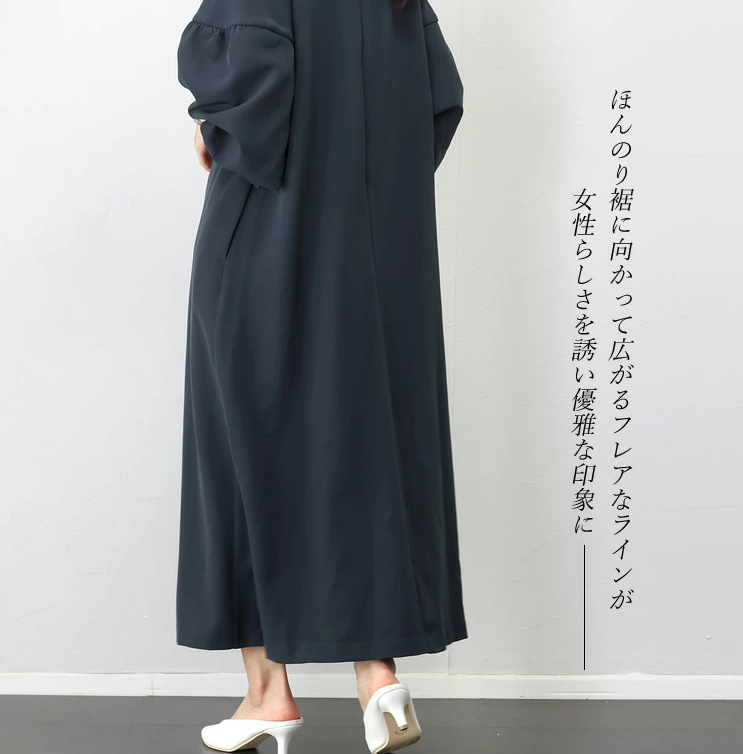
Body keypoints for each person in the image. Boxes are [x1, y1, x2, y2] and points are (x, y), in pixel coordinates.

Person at [175, 0, 467, 751]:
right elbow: (438, 100)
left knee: (239, 441)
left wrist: (213, 128)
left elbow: (249, 79)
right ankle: (378, 678)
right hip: (378, 248)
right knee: (361, 430)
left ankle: (268, 693)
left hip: (266, 228)